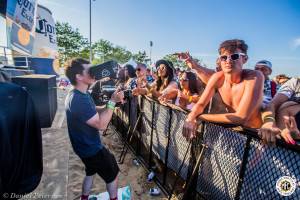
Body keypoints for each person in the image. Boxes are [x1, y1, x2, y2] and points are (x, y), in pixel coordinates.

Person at [64, 58, 124, 200]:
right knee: (112, 175)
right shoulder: (79, 99)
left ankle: (84, 197)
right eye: (89, 70)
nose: (94, 73)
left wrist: (112, 105)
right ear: (78, 76)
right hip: (91, 149)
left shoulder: (79, 94)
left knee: (90, 172)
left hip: (83, 148)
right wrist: (112, 102)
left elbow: (93, 110)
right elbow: (101, 125)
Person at [182, 39, 264, 139]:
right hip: (235, 133)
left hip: (257, 135)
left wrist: (199, 117)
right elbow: (201, 104)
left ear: (245, 59)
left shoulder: (254, 77)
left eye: (234, 56)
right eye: (224, 57)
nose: (228, 61)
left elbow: (241, 117)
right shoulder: (217, 78)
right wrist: (190, 118)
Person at [259, 77, 300, 144]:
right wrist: (269, 122)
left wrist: (297, 136)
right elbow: (272, 104)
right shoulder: (296, 82)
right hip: (281, 147)